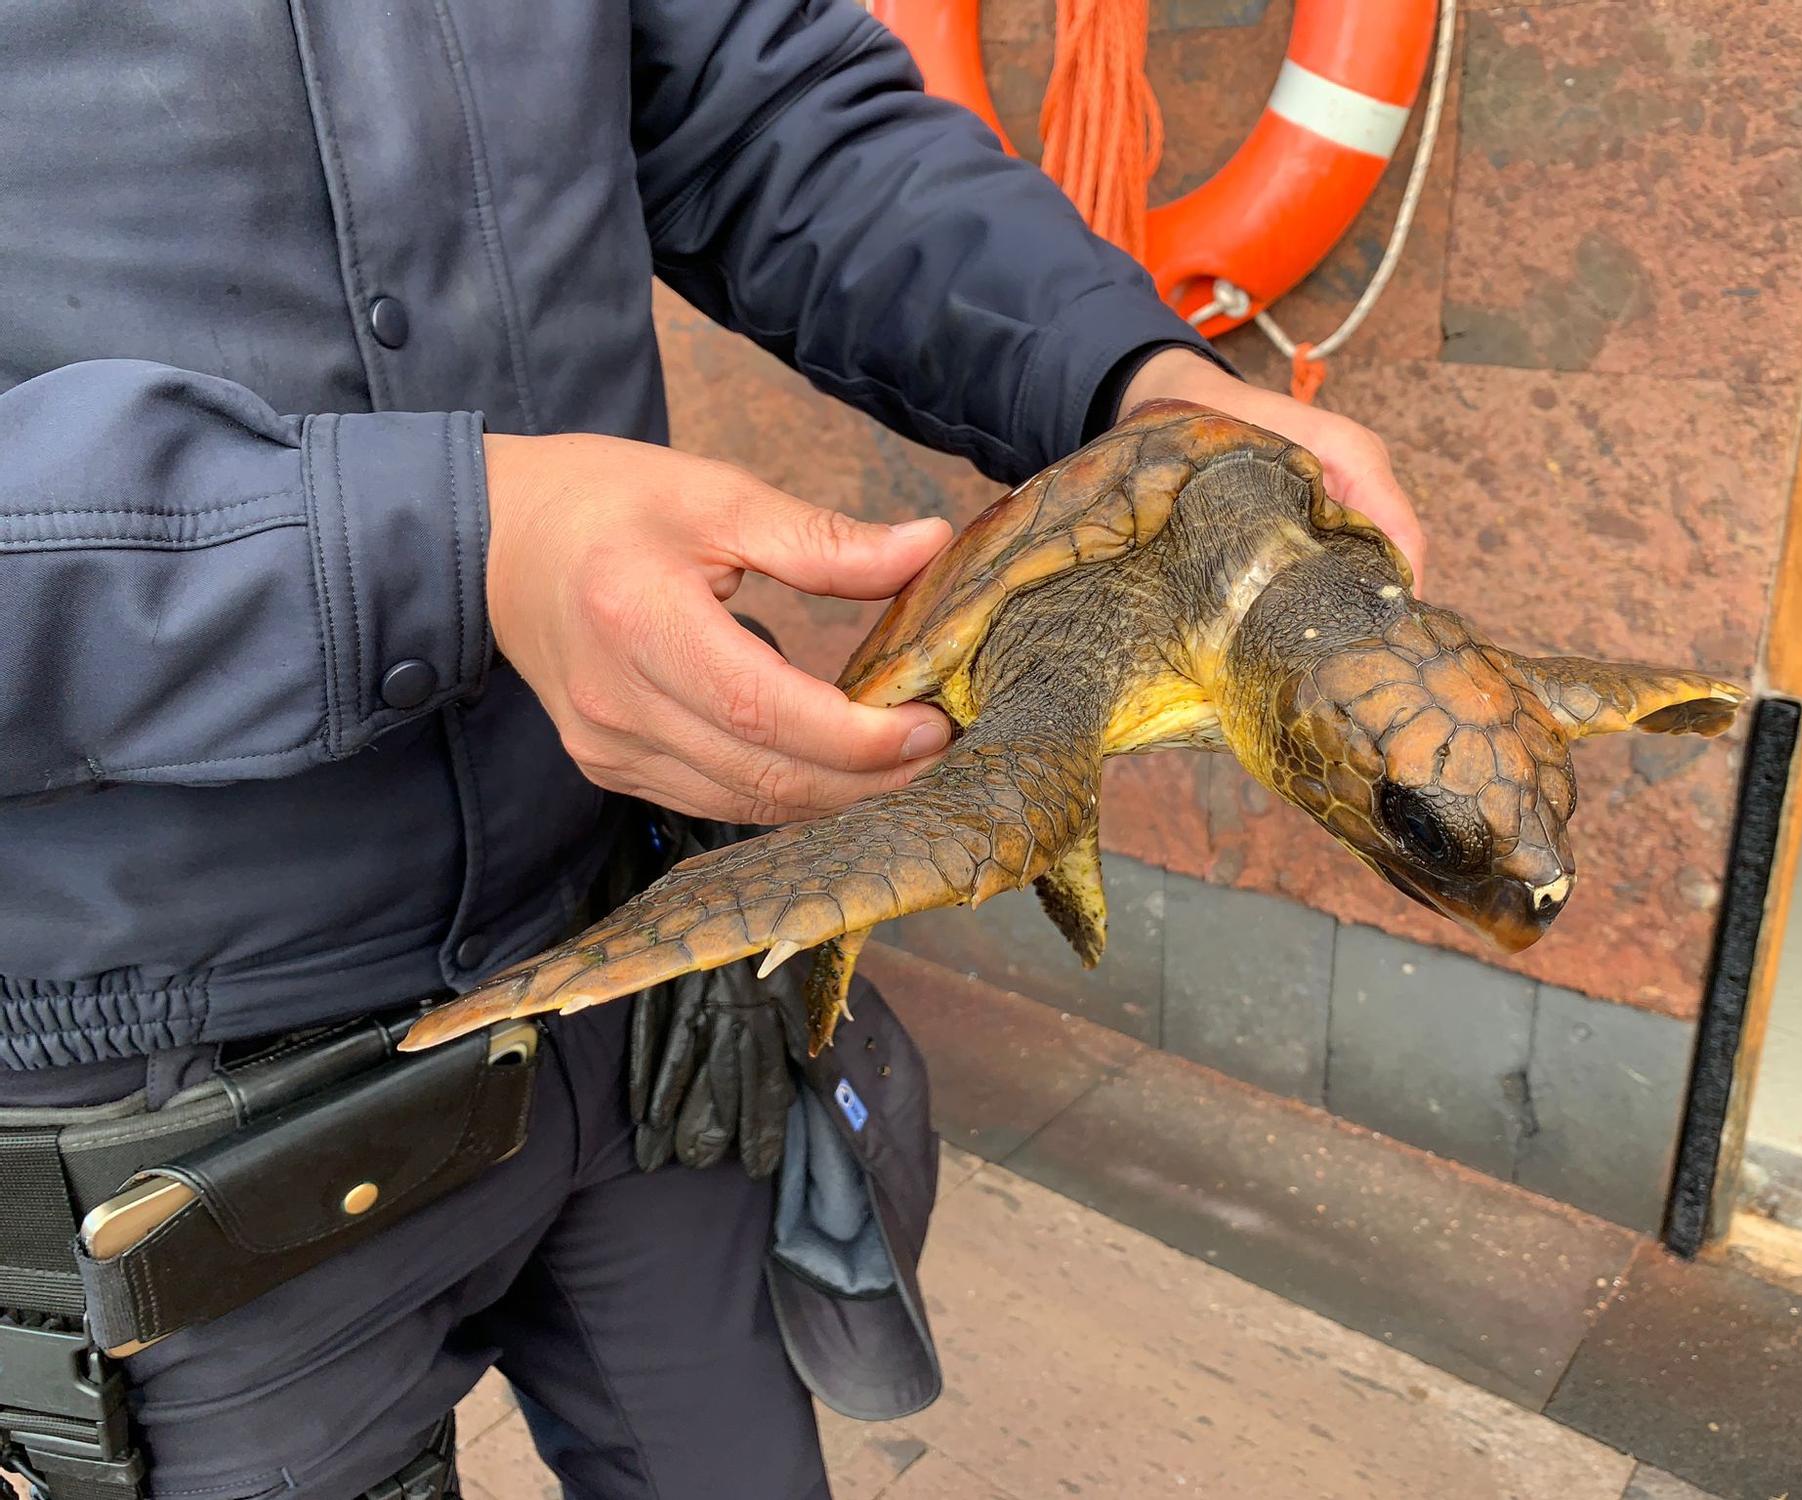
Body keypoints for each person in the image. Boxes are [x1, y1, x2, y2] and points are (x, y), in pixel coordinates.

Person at [0, 3, 1424, 1497]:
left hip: (637, 967)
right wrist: (445, 549)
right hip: (185, 1111)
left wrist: (1125, 375)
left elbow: (766, 112)